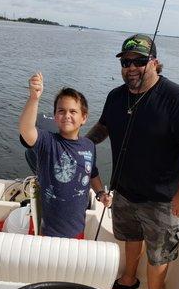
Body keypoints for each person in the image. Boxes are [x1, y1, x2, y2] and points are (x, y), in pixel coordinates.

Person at [86, 34, 179, 289]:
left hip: (163, 199)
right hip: (124, 190)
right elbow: (102, 128)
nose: (132, 68)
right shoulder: (116, 97)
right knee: (129, 235)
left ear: (154, 62)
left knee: (159, 256)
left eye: (140, 61)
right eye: (126, 62)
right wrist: (78, 144)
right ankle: (129, 278)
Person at [19, 72, 111, 238]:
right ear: (55, 117)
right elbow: (26, 131)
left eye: (73, 111)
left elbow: (92, 173)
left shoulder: (89, 146)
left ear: (84, 118)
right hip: (48, 232)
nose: (67, 115)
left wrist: (100, 193)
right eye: (61, 111)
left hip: (77, 230)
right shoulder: (47, 141)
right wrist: (34, 98)